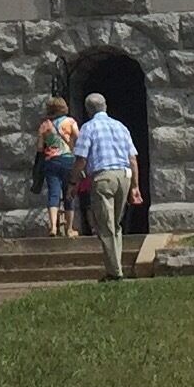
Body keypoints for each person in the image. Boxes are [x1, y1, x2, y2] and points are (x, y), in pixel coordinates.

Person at [70, 91, 141, 281]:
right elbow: (132, 159)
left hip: (103, 178)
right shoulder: (121, 126)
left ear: (87, 110)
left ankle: (114, 272)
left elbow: (81, 159)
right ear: (105, 106)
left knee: (105, 226)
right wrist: (135, 186)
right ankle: (116, 267)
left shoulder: (88, 127)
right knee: (115, 225)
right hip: (124, 176)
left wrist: (73, 182)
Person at [37, 97, 79, 238]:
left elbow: (39, 147)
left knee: (53, 193)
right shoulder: (70, 122)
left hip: (51, 161)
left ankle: (53, 226)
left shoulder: (45, 125)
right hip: (68, 160)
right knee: (69, 194)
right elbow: (78, 138)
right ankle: (69, 229)